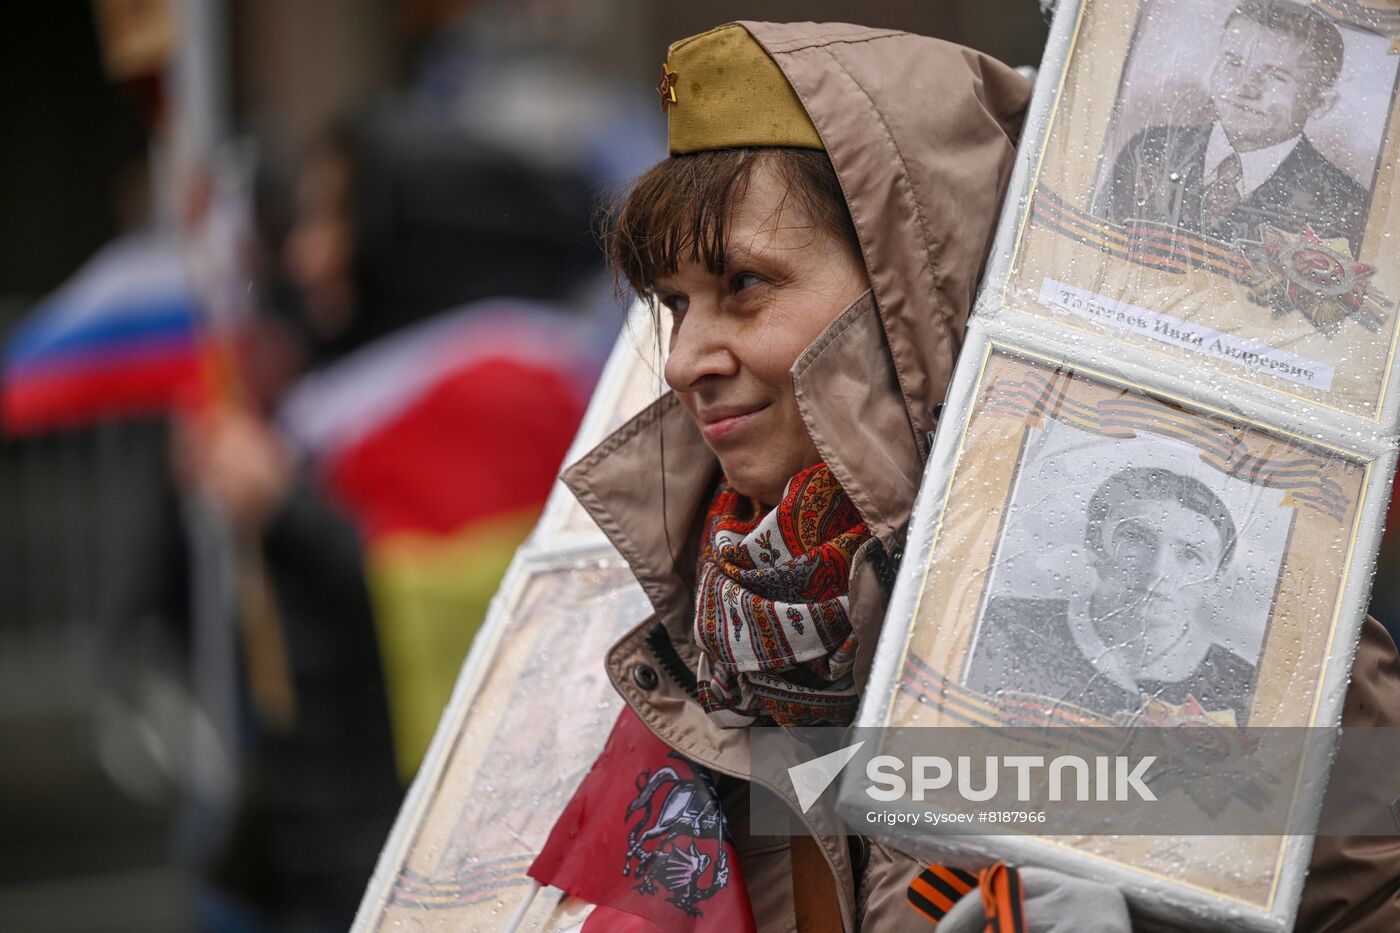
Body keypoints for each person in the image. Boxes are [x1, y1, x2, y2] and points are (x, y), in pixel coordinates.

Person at [564, 20, 1400, 933]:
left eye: (745, 285)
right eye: (674, 303)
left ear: (919, 290)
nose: (685, 358)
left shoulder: (1272, 634)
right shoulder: (692, 630)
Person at [968, 467, 1256, 724]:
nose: (1157, 571)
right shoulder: (1003, 624)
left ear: (1214, 582)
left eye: (1190, 555)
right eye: (1135, 538)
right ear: (1094, 545)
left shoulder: (1245, 686)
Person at [1098, 0, 1367, 255]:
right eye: (1233, 62)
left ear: (1320, 103)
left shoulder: (1344, 206)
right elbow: (1095, 248)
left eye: (1276, 76)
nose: (1245, 88)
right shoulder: (1150, 150)